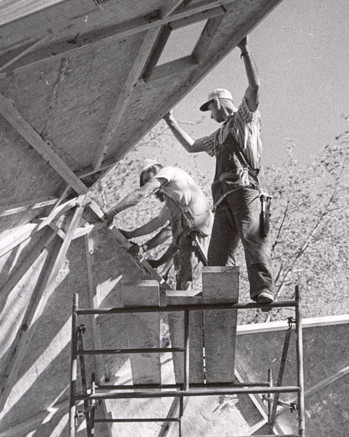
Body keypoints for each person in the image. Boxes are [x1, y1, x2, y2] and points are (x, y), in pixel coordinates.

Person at [163, 37, 275, 304]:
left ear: (219, 103)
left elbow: (254, 85)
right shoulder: (218, 135)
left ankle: (262, 289)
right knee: (217, 255)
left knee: (252, 239)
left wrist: (245, 50)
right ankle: (217, 294)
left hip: (245, 190)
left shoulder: (244, 118)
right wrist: (169, 119)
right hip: (223, 197)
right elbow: (191, 146)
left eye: (210, 108)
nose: (209, 114)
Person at [105, 163, 212, 291]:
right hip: (191, 240)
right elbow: (158, 222)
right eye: (145, 182)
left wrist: (113, 211)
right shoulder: (174, 198)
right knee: (184, 291)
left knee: (190, 288)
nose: (150, 185)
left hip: (196, 239)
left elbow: (140, 194)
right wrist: (130, 235)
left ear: (158, 172)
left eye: (149, 180)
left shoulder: (169, 172)